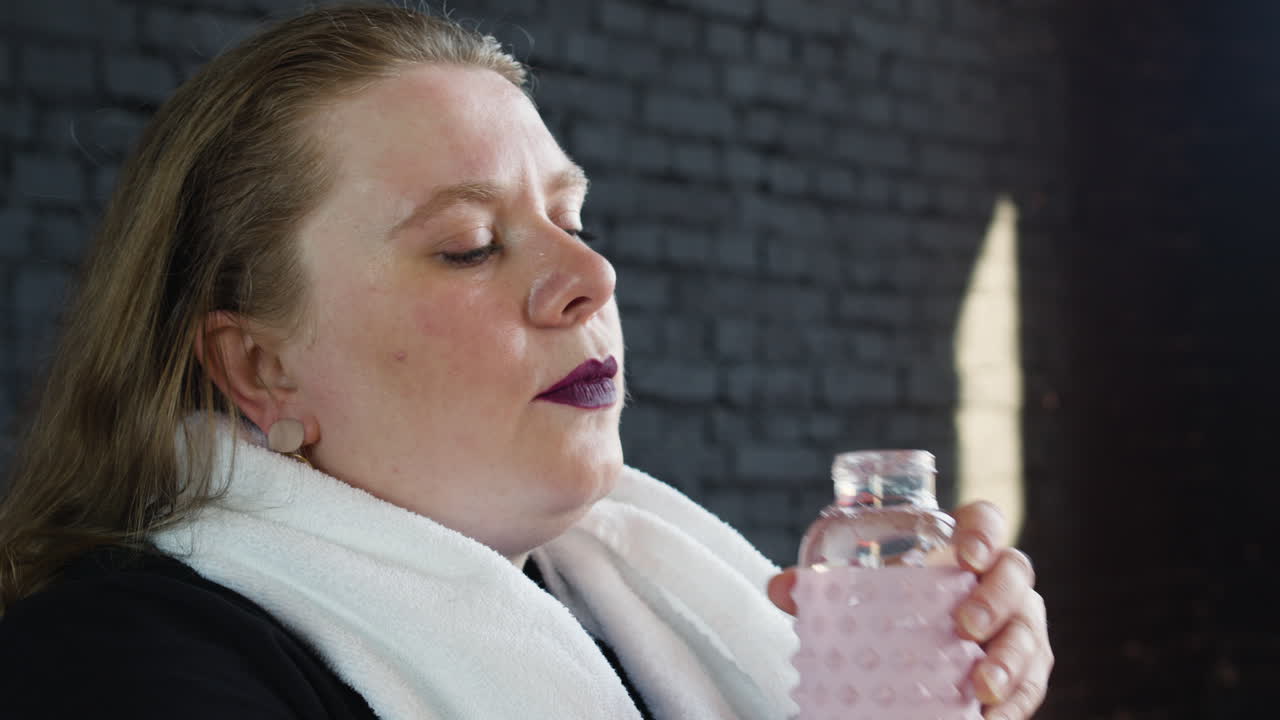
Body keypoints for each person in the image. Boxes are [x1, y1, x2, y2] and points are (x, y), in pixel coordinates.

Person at [0, 4, 1051, 718]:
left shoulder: (633, 602)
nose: (588, 274)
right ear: (260, 367)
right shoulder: (113, 671)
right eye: (468, 244)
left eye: (571, 217)